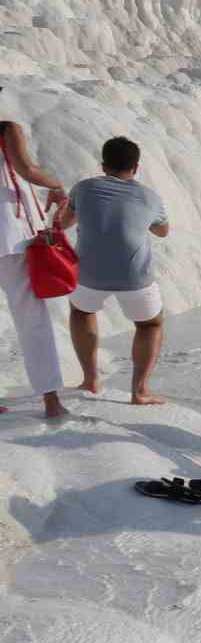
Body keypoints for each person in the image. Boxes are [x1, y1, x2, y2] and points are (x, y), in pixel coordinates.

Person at [54, 137, 169, 406]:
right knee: (150, 324)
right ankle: (139, 391)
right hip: (135, 278)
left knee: (82, 311)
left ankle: (91, 380)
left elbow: (64, 223)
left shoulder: (83, 188)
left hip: (89, 275)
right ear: (136, 168)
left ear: (103, 165)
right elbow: (162, 231)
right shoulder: (150, 196)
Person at [0, 111, 70, 417]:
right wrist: (57, 183)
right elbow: (26, 169)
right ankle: (51, 400)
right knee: (31, 317)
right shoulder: (6, 129)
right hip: (8, 234)